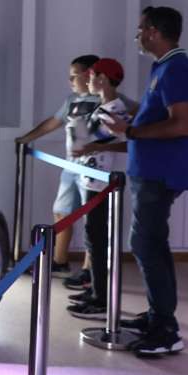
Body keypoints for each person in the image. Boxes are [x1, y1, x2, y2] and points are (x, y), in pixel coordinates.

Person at [103, 6, 188, 357]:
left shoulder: (177, 69)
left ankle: (166, 329)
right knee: (152, 244)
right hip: (150, 170)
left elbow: (183, 124)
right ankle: (158, 315)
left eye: (140, 29)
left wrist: (131, 131)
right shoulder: (163, 67)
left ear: (154, 32)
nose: (137, 36)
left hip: (160, 172)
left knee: (146, 244)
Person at [15, 55, 100, 282]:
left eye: (74, 76)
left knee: (92, 218)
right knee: (62, 212)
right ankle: (59, 261)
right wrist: (26, 139)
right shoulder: (71, 100)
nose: (70, 81)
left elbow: (131, 114)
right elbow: (53, 122)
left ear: (89, 75)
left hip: (94, 169)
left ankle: (89, 269)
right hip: (70, 166)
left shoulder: (105, 99)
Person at [67, 58, 132, 319]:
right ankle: (96, 288)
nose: (88, 80)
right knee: (92, 237)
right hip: (91, 179)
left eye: (92, 76)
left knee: (97, 237)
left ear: (103, 79)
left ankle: (100, 297)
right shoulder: (103, 107)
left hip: (102, 183)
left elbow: (127, 142)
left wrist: (94, 146)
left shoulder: (116, 109)